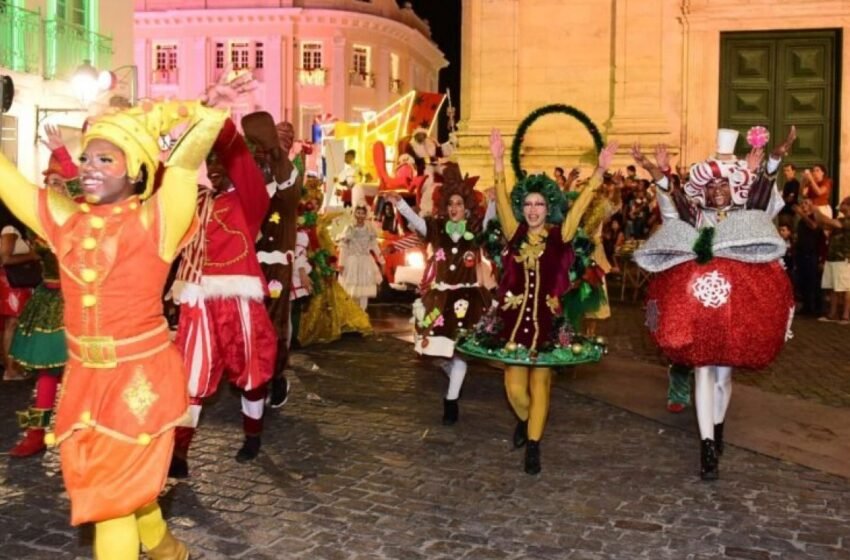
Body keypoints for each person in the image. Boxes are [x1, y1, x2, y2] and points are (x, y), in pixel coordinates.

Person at [0, 97, 228, 559]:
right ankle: (166, 548)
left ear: (135, 171)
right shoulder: (68, 220)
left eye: (106, 159)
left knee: (112, 505)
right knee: (119, 488)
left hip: (137, 381)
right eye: (86, 157)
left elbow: (183, 166)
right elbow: (12, 185)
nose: (88, 167)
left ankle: (161, 547)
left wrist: (205, 110)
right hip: (85, 379)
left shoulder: (155, 221)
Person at [632, 126, 796, 481]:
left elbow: (764, 200)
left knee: (723, 377)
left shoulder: (746, 214)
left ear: (733, 188)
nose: (718, 192)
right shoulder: (695, 217)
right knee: (703, 369)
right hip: (700, 308)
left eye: (724, 186)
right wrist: (657, 173)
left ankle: (717, 427)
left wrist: (775, 159)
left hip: (736, 310)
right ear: (703, 190)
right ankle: (706, 444)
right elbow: (671, 208)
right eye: (711, 187)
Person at [458, 130, 613, 474]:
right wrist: (497, 162)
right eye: (527, 204)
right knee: (514, 388)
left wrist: (599, 174)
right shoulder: (513, 233)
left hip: (549, 323)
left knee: (540, 382)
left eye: (539, 204)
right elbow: (500, 194)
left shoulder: (563, 236)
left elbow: (583, 205)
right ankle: (528, 422)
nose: (533, 210)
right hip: (512, 325)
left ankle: (534, 444)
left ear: (549, 207)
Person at [170, 74, 277, 477]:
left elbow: (239, 160)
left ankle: (252, 434)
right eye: (209, 164)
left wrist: (222, 119)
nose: (214, 170)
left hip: (238, 300)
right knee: (191, 375)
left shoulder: (249, 203)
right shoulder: (193, 202)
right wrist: (202, 113)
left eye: (219, 164)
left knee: (251, 369)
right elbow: (174, 169)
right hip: (197, 298)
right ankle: (179, 454)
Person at [386, 163, 492, 425]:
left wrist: (493, 203)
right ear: (446, 206)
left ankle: (451, 401)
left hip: (467, 302)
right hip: (440, 300)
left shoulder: (476, 231)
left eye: (459, 203)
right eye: (451, 203)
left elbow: (490, 223)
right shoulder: (437, 227)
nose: (455, 208)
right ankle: (453, 379)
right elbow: (418, 223)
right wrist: (400, 203)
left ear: (466, 207)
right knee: (433, 354)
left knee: (459, 354)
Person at [7, 148, 75, 456]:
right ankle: (36, 432)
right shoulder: (41, 219)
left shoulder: (83, 218)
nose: (55, 188)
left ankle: (80, 435)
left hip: (80, 304)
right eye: (51, 182)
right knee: (46, 374)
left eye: (61, 182)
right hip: (48, 300)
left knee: (82, 374)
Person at [245, 113, 302, 409]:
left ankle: (275, 376)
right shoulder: (256, 173)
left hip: (277, 263)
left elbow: (286, 191)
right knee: (250, 319)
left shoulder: (288, 174)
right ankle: (254, 375)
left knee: (274, 320)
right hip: (249, 262)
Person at [0, 208, 36, 381]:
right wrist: (32, 255)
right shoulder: (9, 229)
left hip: (11, 282)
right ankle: (11, 369)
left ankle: (13, 367)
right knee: (13, 324)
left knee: (11, 325)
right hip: (12, 283)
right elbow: (5, 258)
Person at [338, 205, 385, 310]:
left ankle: (362, 314)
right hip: (352, 261)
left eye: (362, 213)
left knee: (364, 290)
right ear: (354, 214)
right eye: (358, 212)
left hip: (366, 262)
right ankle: (352, 314)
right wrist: (341, 263)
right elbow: (344, 247)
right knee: (351, 289)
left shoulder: (369, 229)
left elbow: (375, 246)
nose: (360, 215)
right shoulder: (349, 229)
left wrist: (382, 261)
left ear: (365, 215)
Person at [814, 196, 850, 324]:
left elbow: (831, 223)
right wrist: (815, 212)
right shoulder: (840, 219)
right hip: (832, 257)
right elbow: (822, 223)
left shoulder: (847, 220)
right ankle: (832, 314)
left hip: (843, 258)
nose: (840, 206)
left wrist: (816, 209)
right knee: (833, 287)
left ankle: (846, 316)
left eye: (843, 204)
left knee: (845, 288)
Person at [793, 199, 826, 316]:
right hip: (801, 254)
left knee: (813, 282)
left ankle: (815, 308)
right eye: (802, 203)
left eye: (806, 203)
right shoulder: (801, 221)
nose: (803, 205)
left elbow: (813, 226)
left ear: (812, 206)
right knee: (802, 282)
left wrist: (821, 259)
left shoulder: (814, 217)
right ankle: (806, 307)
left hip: (812, 255)